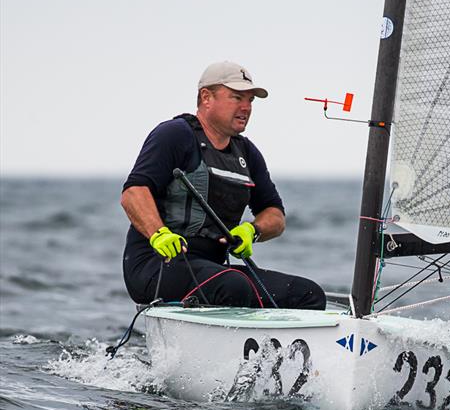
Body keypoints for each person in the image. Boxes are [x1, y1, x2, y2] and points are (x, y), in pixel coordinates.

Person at [121, 61, 326, 310]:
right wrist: (158, 234)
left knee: (308, 294)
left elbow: (275, 215)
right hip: (156, 265)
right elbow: (133, 193)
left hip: (215, 270)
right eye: (237, 97)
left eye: (250, 100)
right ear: (206, 97)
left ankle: (272, 350)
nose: (246, 107)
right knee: (234, 285)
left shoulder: (247, 152)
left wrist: (253, 230)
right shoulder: (174, 134)